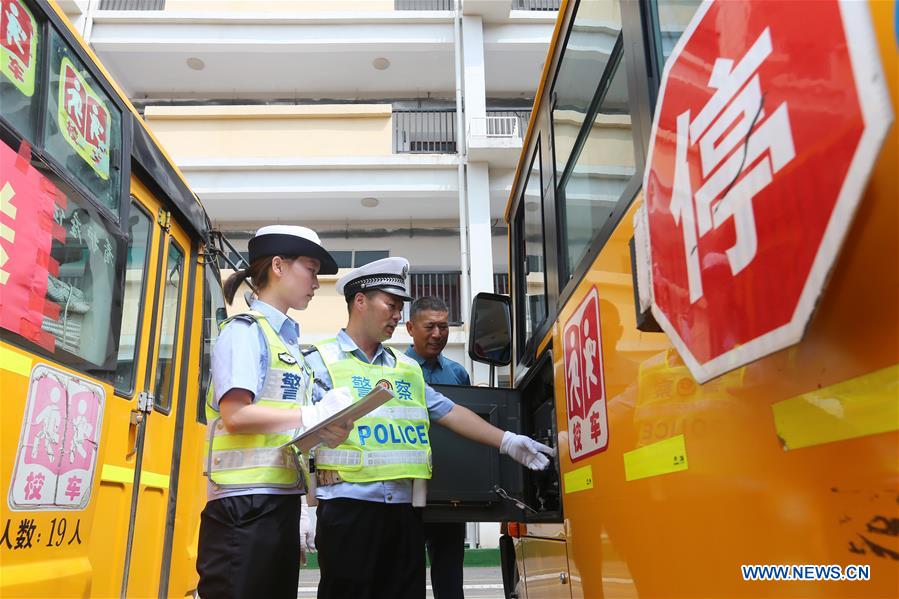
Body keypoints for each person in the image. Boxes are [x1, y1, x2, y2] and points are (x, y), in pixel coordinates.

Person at [304, 257, 554, 599]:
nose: (397, 316)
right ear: (360, 301)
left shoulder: (406, 369)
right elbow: (296, 439)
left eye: (400, 308)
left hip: (404, 513)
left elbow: (450, 412)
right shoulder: (319, 361)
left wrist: (508, 441)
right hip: (347, 510)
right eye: (391, 305)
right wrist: (300, 510)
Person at [197, 225, 355, 599]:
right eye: (311, 269)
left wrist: (326, 430)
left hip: (277, 502)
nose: (317, 283)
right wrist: (310, 415)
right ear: (279, 266)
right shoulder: (245, 332)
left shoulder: (288, 345)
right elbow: (235, 416)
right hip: (244, 506)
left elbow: (284, 427)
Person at [405, 296, 469, 599]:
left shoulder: (458, 374)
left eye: (443, 326)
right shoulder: (396, 371)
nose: (437, 334)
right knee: (406, 575)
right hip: (406, 491)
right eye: (429, 326)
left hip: (450, 493)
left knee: (450, 576)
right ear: (410, 328)